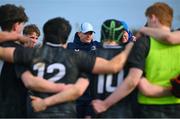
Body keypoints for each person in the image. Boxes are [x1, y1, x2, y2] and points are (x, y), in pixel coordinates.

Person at [0, 17, 134, 118]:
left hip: (37, 113)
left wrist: (17, 36)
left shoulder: (29, 53)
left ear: (44, 36)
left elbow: (29, 81)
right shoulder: (77, 57)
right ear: (67, 37)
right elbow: (113, 66)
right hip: (65, 113)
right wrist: (130, 48)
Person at [92, 2, 180, 118]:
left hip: (148, 108)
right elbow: (169, 37)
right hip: (176, 106)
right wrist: (174, 90)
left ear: (153, 18)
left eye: (147, 20)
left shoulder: (143, 43)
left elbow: (134, 82)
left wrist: (105, 104)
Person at [91, 19, 135, 118]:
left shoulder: (93, 53)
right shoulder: (131, 54)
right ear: (120, 34)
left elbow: (85, 86)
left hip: (97, 109)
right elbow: (134, 81)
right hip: (123, 112)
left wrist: (87, 112)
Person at [0, 4, 30, 117]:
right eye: (22, 24)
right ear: (16, 25)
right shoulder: (19, 52)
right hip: (12, 110)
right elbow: (29, 82)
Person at [67, 22, 101, 118]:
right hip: (75, 93)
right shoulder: (70, 46)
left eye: (91, 33)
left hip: (92, 94)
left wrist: (130, 40)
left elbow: (114, 46)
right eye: (86, 33)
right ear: (79, 33)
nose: (89, 35)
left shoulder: (97, 45)